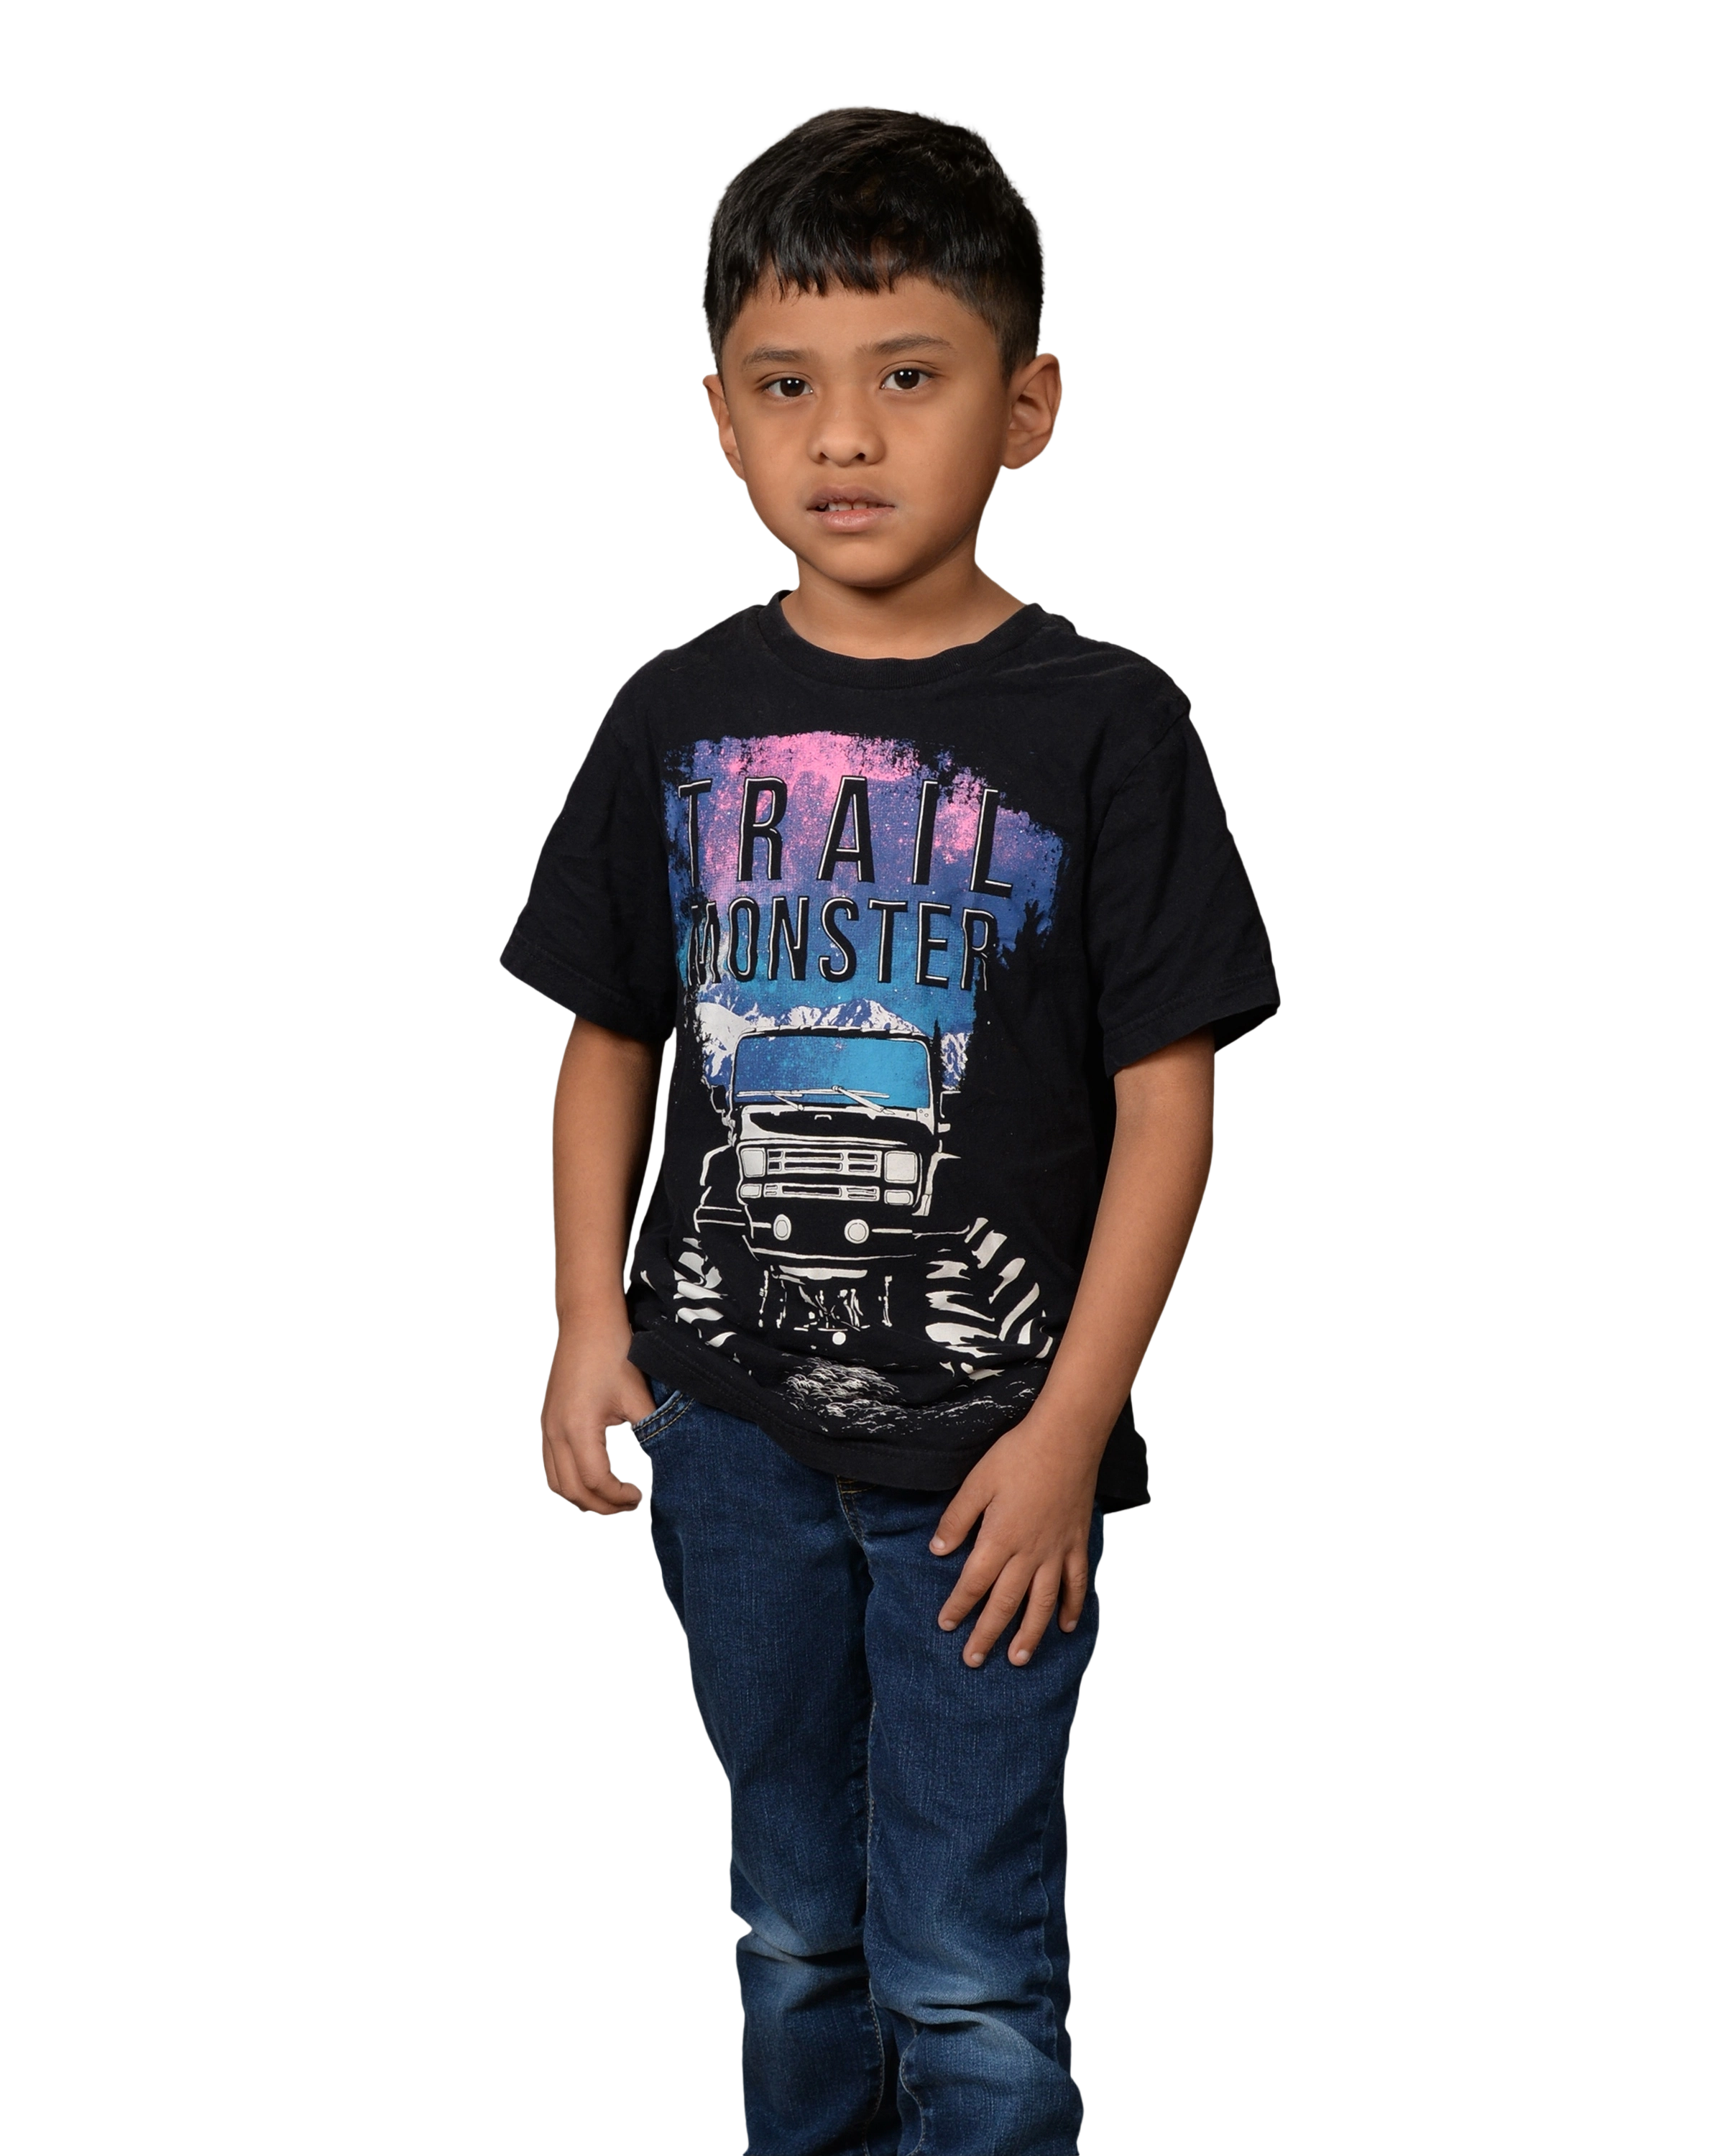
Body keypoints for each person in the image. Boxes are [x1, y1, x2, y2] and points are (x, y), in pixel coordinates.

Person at [497, 103, 1281, 2156]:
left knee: (968, 1957)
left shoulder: (1113, 726)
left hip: (992, 1468)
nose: (843, 436)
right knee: (792, 1924)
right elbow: (610, 1035)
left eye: (909, 375)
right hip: (731, 1437)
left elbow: (1170, 1102)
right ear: (721, 420)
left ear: (1030, 409)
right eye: (787, 386)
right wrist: (586, 1323)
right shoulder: (671, 714)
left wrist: (1069, 1434)